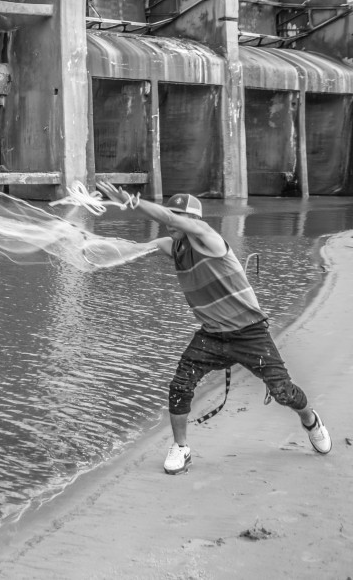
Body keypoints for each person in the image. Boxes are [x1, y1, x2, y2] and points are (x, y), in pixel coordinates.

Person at [95, 181, 331, 475]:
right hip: (212, 335)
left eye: (179, 216)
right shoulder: (174, 247)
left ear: (194, 221)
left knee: (282, 392)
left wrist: (130, 201)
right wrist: (91, 245)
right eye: (171, 214)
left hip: (249, 333)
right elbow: (140, 247)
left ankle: (310, 420)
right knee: (180, 385)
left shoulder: (210, 239)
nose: (172, 220)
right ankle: (182, 448)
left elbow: (166, 220)